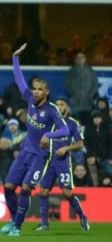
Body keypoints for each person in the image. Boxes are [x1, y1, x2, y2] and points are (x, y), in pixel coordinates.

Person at [0, 43, 70, 238]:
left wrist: (49, 135)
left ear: (47, 92)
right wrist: (15, 58)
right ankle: (14, 220)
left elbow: (64, 130)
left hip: (40, 157)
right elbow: (18, 78)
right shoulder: (29, 99)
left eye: (40, 89)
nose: (36, 91)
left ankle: (17, 227)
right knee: (7, 188)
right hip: (24, 153)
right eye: (35, 88)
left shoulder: (52, 110)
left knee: (25, 190)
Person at [34, 98, 89, 231]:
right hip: (48, 161)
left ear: (67, 108)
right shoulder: (49, 122)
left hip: (62, 162)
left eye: (62, 105)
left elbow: (80, 144)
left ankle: (83, 217)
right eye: (57, 104)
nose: (59, 106)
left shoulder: (72, 123)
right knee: (43, 191)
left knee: (66, 192)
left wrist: (66, 148)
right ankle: (44, 223)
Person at [64, 51, 99, 125]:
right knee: (75, 123)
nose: (80, 59)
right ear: (75, 60)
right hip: (75, 103)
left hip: (88, 103)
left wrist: (91, 95)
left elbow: (95, 84)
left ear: (85, 59)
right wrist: (73, 94)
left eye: (82, 57)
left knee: (87, 123)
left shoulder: (90, 71)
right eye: (78, 57)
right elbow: (67, 85)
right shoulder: (71, 71)